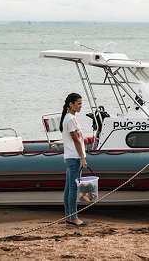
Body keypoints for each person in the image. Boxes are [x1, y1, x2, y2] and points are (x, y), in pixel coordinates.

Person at [60, 92, 90, 227]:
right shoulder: (71, 119)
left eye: (81, 103)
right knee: (73, 188)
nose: (80, 106)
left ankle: (69, 215)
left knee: (68, 187)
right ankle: (73, 217)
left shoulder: (69, 118)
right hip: (74, 157)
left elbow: (78, 139)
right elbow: (76, 141)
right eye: (78, 104)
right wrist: (83, 158)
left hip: (70, 156)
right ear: (70, 104)